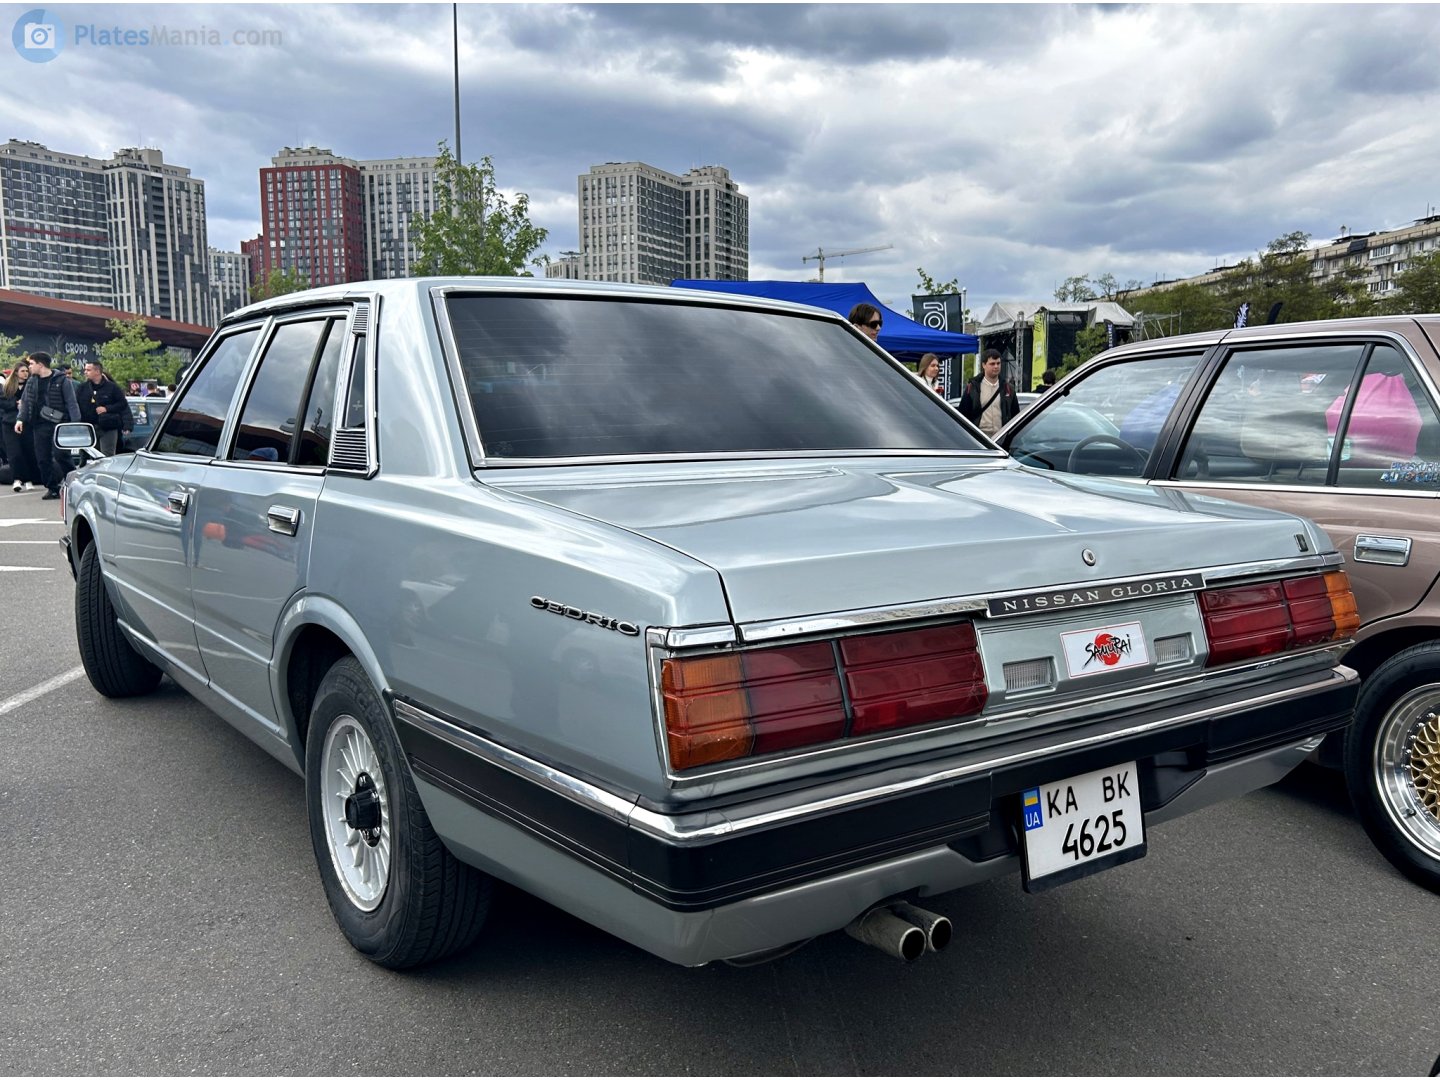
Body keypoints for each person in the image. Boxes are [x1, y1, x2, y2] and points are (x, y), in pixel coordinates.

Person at [14, 352, 80, 499]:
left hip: (59, 424)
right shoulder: (32, 381)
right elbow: (25, 402)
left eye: (31, 364)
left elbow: (72, 403)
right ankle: (52, 487)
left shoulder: (62, 380)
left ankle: (74, 484)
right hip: (39, 425)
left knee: (61, 455)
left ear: (40, 364)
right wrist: (20, 419)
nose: (29, 367)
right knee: (42, 458)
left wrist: (75, 424)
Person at [957, 349, 1019, 436]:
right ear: (984, 365)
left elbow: (1015, 416)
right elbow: (963, 415)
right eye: (992, 364)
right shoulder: (973, 387)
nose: (996, 366)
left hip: (1001, 438)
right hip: (979, 438)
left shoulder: (1008, 388)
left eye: (998, 363)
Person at [77, 360, 133, 456]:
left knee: (107, 456)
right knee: (86, 456)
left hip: (108, 426)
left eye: (88, 370)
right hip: (88, 427)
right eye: (85, 370)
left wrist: (107, 409)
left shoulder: (112, 387)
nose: (85, 372)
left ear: (97, 371)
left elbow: (123, 404)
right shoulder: (82, 388)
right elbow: (76, 405)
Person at [1, 360, 40, 491]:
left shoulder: (31, 386)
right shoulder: (7, 386)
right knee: (14, 453)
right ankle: (17, 479)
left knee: (28, 451)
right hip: (10, 423)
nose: (25, 373)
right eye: (22, 371)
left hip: (27, 423)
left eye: (26, 371)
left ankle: (29, 480)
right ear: (16, 372)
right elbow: (3, 403)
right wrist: (15, 405)